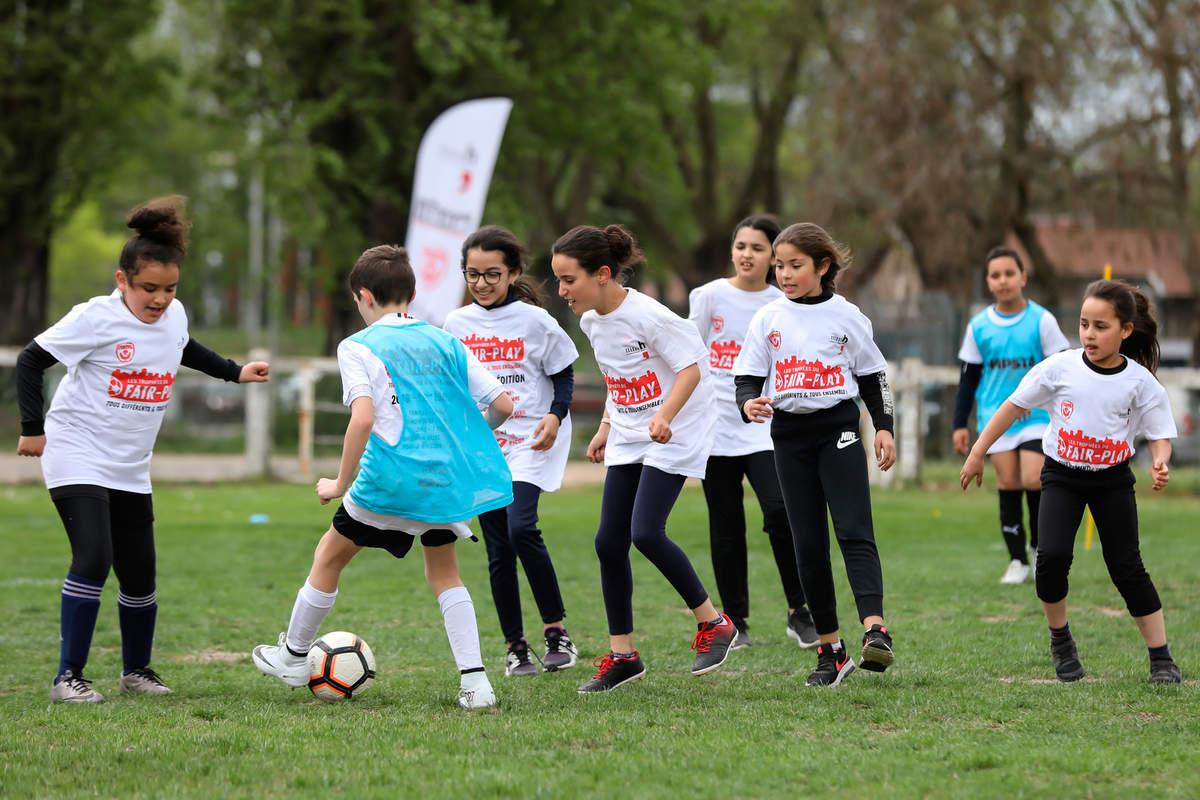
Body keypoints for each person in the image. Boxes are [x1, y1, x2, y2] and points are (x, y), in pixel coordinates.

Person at [15, 196, 270, 703]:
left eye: (169, 288)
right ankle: (68, 677)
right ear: (122, 281)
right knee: (94, 557)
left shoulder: (174, 315)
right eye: (148, 288)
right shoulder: (94, 319)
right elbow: (29, 360)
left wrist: (234, 371)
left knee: (140, 571)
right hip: (76, 450)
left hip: (129, 464)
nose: (159, 299)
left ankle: (137, 671)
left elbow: (185, 347)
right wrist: (32, 427)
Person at [251, 244, 515, 709]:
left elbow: (363, 419)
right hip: (442, 481)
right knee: (445, 574)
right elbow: (504, 406)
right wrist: (461, 444)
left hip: (388, 480)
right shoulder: (446, 339)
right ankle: (476, 684)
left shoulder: (357, 345)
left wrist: (338, 483)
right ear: (412, 294)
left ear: (364, 296)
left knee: (329, 557)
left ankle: (293, 657)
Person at [961, 279, 1181, 684]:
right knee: (1052, 559)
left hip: (1113, 481)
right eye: (1084, 324)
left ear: (1125, 331)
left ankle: (1161, 657)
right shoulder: (1058, 368)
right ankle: (1060, 640)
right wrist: (979, 451)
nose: (1089, 335)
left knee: (1127, 568)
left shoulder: (1139, 381)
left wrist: (1161, 461)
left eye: (1101, 326)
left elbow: (1158, 430)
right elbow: (1012, 407)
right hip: (1062, 475)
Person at [550, 224, 738, 693]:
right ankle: (623, 656)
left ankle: (715, 624)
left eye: (569, 279)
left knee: (645, 532)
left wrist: (665, 416)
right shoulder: (593, 320)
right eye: (558, 279)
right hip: (632, 430)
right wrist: (608, 427)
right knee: (608, 542)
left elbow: (693, 368)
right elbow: (620, 380)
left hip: (680, 426)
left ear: (603, 274)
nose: (562, 290)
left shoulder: (649, 316)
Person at [733, 222, 897, 687]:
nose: (783, 274)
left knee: (853, 530)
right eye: (779, 265)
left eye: (794, 265)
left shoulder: (848, 316)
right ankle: (830, 649)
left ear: (822, 266)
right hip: (789, 438)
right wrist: (748, 402)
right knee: (807, 543)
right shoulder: (768, 319)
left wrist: (883, 428)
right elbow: (746, 378)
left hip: (838, 431)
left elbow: (873, 378)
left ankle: (875, 630)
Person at [443, 226, 580, 677]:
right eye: (473, 274)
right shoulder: (455, 326)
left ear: (513, 272)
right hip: (485, 445)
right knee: (498, 547)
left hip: (531, 437)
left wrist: (556, 416)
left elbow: (563, 373)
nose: (481, 283)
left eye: (492, 274)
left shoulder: (535, 321)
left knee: (523, 528)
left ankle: (557, 632)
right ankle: (515, 646)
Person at [687, 214, 818, 649]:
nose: (747, 255)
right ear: (732, 250)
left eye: (758, 248)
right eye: (740, 246)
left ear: (774, 257)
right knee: (725, 526)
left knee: (781, 512)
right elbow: (689, 358)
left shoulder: (783, 303)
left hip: (765, 428)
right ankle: (736, 621)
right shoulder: (707, 297)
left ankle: (799, 611)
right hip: (716, 430)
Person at [953, 246, 1069, 584]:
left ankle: (1036, 548)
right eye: (995, 275)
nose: (1003, 281)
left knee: (1034, 478)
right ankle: (1017, 560)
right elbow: (968, 378)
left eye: (1009, 273)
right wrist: (960, 423)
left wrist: (1042, 397)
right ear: (988, 282)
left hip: (1036, 417)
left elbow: (1061, 367)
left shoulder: (1042, 320)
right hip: (996, 417)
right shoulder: (978, 326)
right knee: (1008, 482)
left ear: (1023, 277)